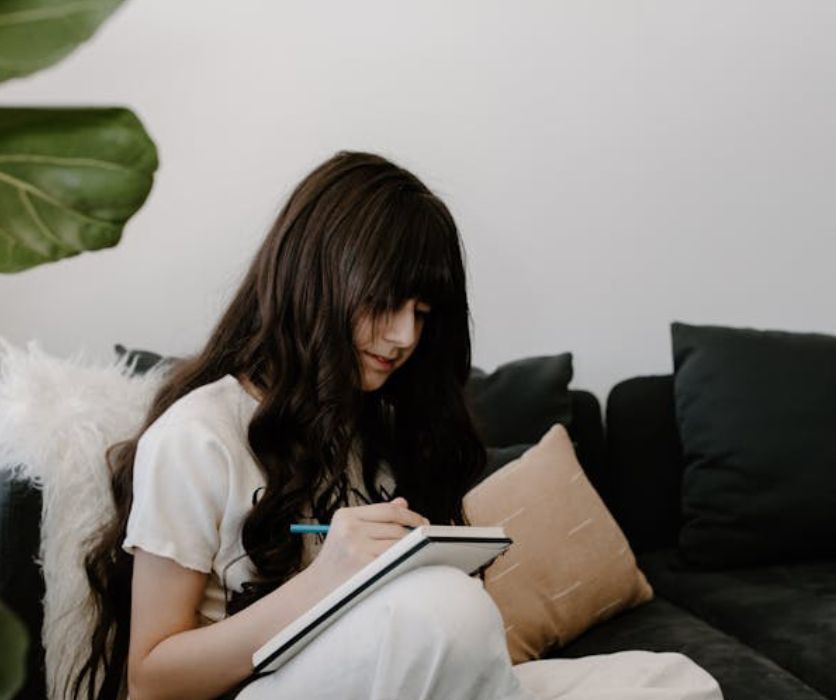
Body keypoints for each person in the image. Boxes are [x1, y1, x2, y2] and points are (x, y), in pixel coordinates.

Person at [72, 151, 723, 700]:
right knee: (444, 612)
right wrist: (329, 580)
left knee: (676, 682)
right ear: (316, 277)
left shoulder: (375, 425)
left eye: (422, 311)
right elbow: (150, 679)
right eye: (386, 302)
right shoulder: (196, 439)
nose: (405, 336)